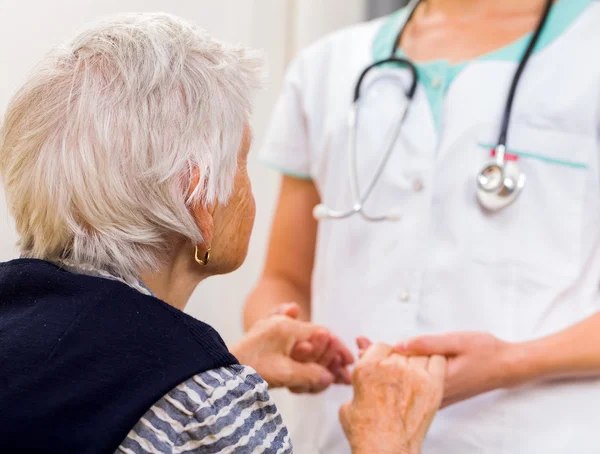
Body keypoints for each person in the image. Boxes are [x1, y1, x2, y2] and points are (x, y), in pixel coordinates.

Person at [245, 0, 600, 452]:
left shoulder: (590, 49)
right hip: (345, 436)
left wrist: (512, 362)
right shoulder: (327, 67)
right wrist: (283, 333)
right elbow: (282, 278)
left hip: (536, 436)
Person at [0, 13, 362, 453]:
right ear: (199, 201)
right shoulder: (206, 404)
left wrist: (208, 370)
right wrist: (387, 434)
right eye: (242, 161)